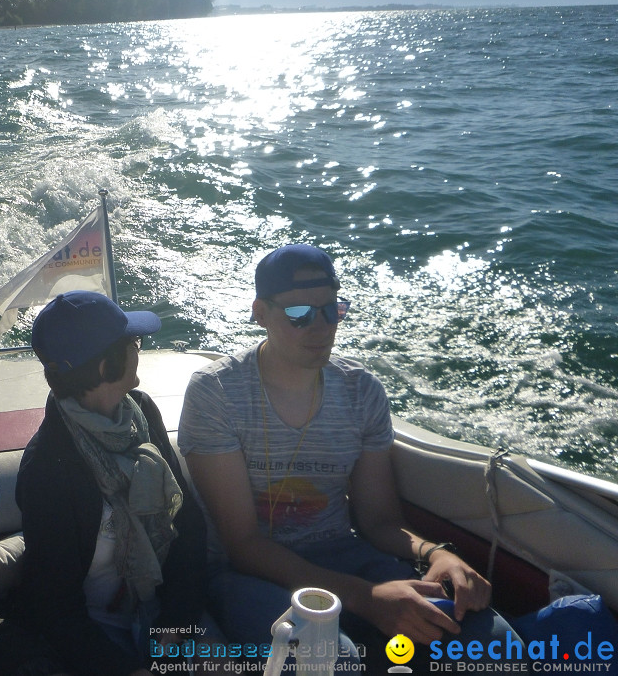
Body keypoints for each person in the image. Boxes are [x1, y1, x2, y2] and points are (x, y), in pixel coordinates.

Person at [178, 244, 520, 664]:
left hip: (343, 554)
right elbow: (242, 544)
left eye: (331, 310)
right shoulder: (217, 393)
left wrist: (437, 554)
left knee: (497, 647)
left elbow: (379, 521)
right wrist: (370, 599)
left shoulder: (361, 391)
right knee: (325, 661)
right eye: (300, 314)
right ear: (260, 314)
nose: (320, 327)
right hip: (246, 574)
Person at [4, 291, 210, 676]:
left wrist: (175, 624)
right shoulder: (49, 469)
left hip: (165, 614)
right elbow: (56, 608)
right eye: (133, 342)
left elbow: (187, 525)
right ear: (104, 367)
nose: (139, 348)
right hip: (95, 635)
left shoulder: (141, 411)